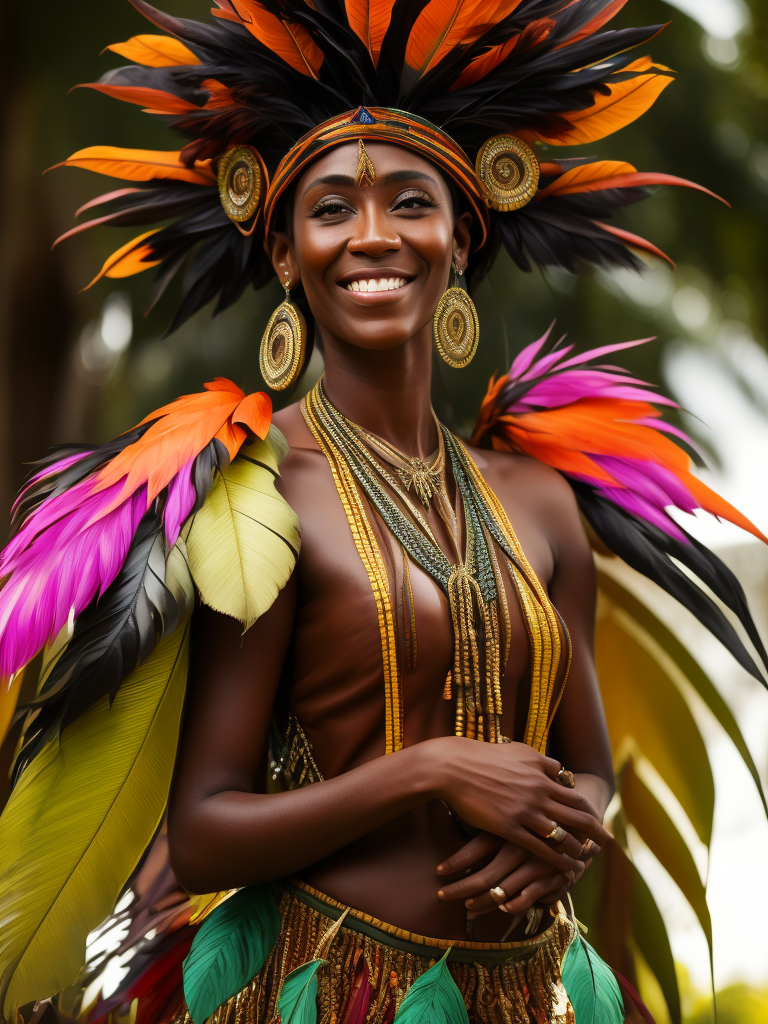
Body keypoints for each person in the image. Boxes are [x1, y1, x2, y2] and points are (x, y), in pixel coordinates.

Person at [1, 3, 766, 1024]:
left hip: (541, 995)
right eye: (330, 209)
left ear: (461, 236)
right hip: (334, 991)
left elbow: (590, 763)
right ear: (284, 254)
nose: (374, 235)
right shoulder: (258, 496)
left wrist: (567, 820)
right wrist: (430, 770)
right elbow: (206, 829)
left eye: (411, 202)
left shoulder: (538, 496)